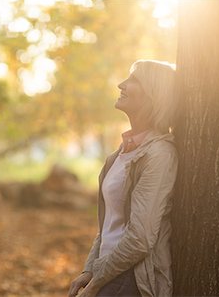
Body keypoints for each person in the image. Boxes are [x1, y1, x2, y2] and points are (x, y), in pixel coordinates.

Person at [68, 59, 179, 297]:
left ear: (154, 94)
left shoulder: (159, 154)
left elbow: (140, 239)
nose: (121, 84)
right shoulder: (118, 155)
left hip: (131, 280)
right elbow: (109, 225)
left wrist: (97, 283)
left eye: (134, 80)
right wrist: (89, 270)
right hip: (108, 274)